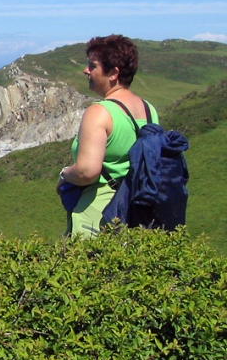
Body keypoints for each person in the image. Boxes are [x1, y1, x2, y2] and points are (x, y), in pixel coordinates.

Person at [58, 34, 158, 237]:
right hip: (136, 207)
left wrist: (64, 174)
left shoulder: (99, 112)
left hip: (100, 213)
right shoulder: (149, 109)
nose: (86, 70)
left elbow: (87, 171)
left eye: (92, 66)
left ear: (113, 73)